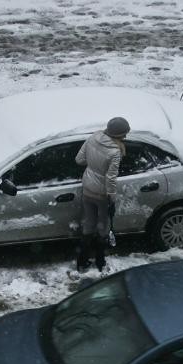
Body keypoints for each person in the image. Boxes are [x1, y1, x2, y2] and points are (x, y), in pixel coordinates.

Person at [74, 116, 129, 272]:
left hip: (87, 188)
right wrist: (111, 196)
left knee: (89, 224)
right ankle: (100, 260)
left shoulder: (93, 137)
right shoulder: (114, 152)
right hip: (101, 194)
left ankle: (82, 261)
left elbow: (79, 160)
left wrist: (93, 166)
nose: (125, 137)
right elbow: (111, 178)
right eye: (124, 134)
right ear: (118, 135)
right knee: (103, 226)